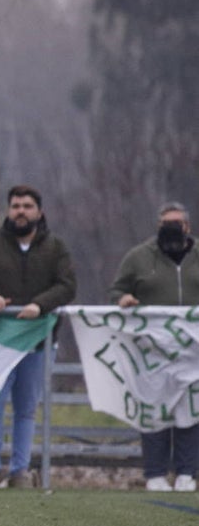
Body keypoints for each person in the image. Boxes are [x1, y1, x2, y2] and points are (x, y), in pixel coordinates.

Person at [0, 184, 76, 488]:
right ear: (9, 210)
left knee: (26, 408)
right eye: (16, 206)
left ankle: (20, 472)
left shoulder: (55, 247)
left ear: (39, 211)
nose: (21, 211)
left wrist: (40, 305)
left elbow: (67, 285)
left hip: (38, 342)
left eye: (27, 206)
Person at [108, 201, 199, 492]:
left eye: (176, 223)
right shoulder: (138, 258)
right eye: (165, 224)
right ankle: (155, 473)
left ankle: (187, 472)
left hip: (193, 351)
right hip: (152, 349)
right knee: (155, 409)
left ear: (187, 226)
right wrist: (123, 300)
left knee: (190, 411)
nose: (171, 229)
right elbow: (117, 291)